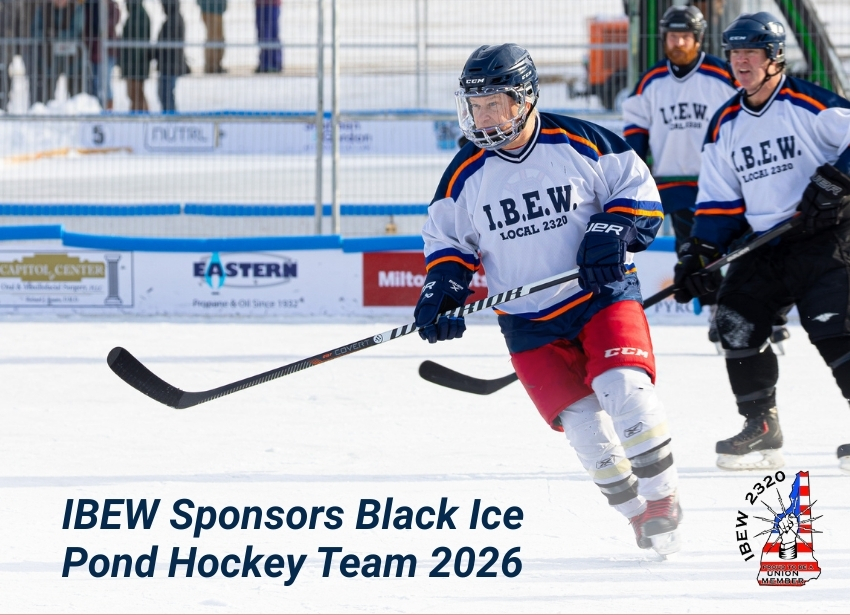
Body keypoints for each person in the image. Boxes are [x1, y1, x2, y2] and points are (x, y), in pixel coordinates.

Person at [414, 44, 682, 554]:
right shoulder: (463, 173)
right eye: (476, 105)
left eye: (495, 103)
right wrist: (442, 292)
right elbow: (448, 244)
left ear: (526, 98)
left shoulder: (582, 141)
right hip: (527, 321)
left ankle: (663, 498)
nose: (483, 116)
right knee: (583, 428)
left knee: (621, 387)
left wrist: (612, 229)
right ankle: (637, 514)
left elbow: (641, 197)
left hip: (599, 296)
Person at [672, 12, 850, 473]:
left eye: (751, 52)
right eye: (733, 52)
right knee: (735, 320)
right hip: (766, 243)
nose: (740, 61)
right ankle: (761, 427)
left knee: (835, 327)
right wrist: (698, 255)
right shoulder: (725, 123)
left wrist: (834, 181)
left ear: (774, 58)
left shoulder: (810, 104)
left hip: (825, 237)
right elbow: (718, 202)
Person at [622, 5, 739, 345]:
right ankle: (718, 311)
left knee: (734, 245)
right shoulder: (651, 81)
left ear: (699, 38)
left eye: (685, 36)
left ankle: (759, 309)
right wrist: (635, 166)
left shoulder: (722, 75)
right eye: (673, 36)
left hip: (717, 180)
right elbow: (636, 130)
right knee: (694, 249)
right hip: (674, 182)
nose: (678, 42)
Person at [30, 0, 88, 105]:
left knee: (77, 94)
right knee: (45, 95)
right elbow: (35, 31)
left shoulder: (76, 8)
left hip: (74, 60)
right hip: (48, 59)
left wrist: (51, 35)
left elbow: (75, 32)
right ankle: (44, 117)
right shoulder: (43, 9)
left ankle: (77, 117)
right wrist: (59, 36)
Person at [83, 0, 119, 110]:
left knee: (104, 84)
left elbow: (106, 27)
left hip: (107, 52)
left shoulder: (112, 6)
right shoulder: (89, 5)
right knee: (94, 85)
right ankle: (96, 111)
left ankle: (107, 112)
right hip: (92, 51)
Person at [155, 0, 189, 112]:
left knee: (166, 95)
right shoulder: (173, 19)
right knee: (165, 94)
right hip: (169, 64)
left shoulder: (173, 21)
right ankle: (170, 118)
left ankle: (171, 120)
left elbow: (165, 45)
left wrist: (153, 52)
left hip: (170, 65)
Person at [118, 0, 150, 112]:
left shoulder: (139, 15)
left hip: (136, 65)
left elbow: (138, 45)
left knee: (135, 94)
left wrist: (130, 66)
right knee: (134, 94)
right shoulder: (136, 14)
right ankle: (137, 117)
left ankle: (140, 118)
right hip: (134, 64)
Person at [197, 0, 226, 74]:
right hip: (210, 9)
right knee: (213, 38)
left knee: (217, 37)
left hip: (215, 9)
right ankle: (211, 66)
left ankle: (215, 64)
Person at [255, 0, 282, 73]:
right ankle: (266, 63)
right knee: (264, 33)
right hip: (261, 4)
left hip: (272, 4)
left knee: (271, 32)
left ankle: (273, 63)